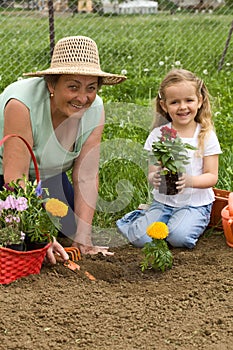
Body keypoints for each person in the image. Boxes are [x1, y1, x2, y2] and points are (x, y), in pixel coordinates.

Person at [0, 35, 126, 263]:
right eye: (72, 87)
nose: (82, 98)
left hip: (47, 179)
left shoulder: (95, 109)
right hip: (7, 182)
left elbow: (86, 175)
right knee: (18, 242)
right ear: (51, 84)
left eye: (91, 88)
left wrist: (83, 238)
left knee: (71, 228)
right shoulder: (22, 105)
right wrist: (43, 232)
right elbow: (15, 178)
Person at [116, 68, 221, 249]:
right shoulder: (158, 135)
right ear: (164, 105)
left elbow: (212, 176)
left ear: (199, 101)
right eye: (174, 102)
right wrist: (155, 178)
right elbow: (152, 172)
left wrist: (190, 181)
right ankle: (138, 216)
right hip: (163, 202)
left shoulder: (205, 135)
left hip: (195, 204)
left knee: (178, 238)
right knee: (142, 239)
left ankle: (191, 221)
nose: (182, 107)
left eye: (189, 100)